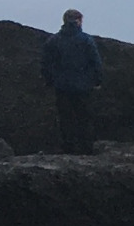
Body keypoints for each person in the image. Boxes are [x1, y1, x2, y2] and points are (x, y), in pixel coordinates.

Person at [40, 9, 102, 154]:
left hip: (62, 86)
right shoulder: (86, 40)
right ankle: (86, 148)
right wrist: (97, 80)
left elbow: (46, 63)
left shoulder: (53, 41)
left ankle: (68, 147)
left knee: (65, 118)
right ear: (79, 21)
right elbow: (95, 62)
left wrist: (49, 81)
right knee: (84, 117)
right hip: (83, 86)